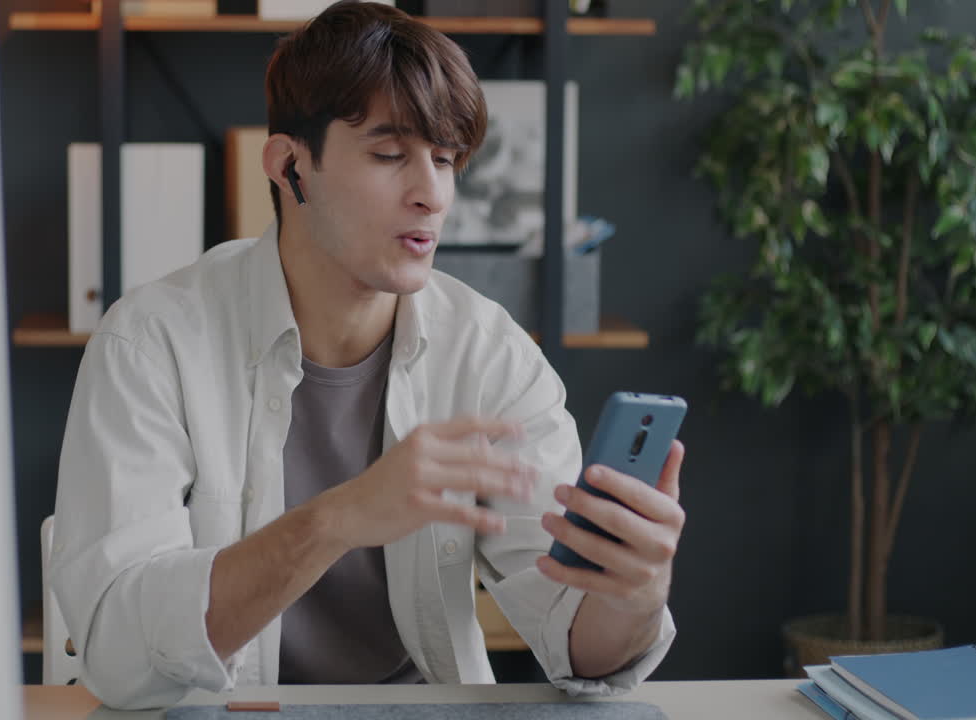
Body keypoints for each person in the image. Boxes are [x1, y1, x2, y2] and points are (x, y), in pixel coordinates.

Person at [51, 0, 685, 710]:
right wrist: (337, 520)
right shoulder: (150, 343)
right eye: (389, 155)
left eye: (445, 160)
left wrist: (633, 591)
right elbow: (121, 658)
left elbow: (581, 652)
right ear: (290, 167)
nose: (431, 194)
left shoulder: (489, 352)